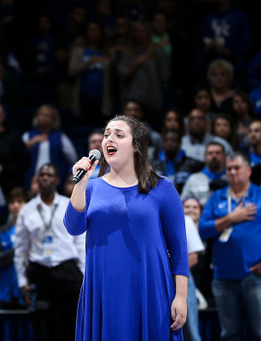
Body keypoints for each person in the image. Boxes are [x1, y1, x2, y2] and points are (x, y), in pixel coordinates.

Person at [64, 115, 188, 340]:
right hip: (103, 289)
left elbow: (179, 248)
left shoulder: (162, 188)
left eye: (119, 135)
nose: (109, 139)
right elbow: (73, 227)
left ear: (136, 146)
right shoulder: (90, 188)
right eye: (106, 134)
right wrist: (80, 185)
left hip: (149, 287)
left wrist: (181, 296)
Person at [199, 151, 261, 341]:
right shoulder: (217, 197)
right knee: (230, 335)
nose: (232, 172)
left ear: (249, 170)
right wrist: (231, 218)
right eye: (229, 169)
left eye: (237, 168)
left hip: (255, 277)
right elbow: (203, 230)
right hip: (223, 278)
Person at [15, 163, 85, 341]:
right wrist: (23, 281)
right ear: (37, 179)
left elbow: (79, 241)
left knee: (72, 323)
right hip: (40, 272)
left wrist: (84, 274)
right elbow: (21, 249)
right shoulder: (26, 210)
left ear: (57, 180)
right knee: (43, 327)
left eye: (49, 175)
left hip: (67, 270)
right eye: (42, 175)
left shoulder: (68, 204)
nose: (45, 177)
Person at [118, 20, 170, 117]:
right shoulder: (128, 53)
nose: (140, 34)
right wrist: (137, 63)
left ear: (148, 33)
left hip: (152, 99)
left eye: (143, 31)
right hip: (132, 99)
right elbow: (123, 75)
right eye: (137, 31)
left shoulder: (157, 51)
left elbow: (165, 76)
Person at [22, 104, 77, 188]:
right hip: (32, 180)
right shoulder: (28, 135)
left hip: (56, 182)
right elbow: (19, 154)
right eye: (41, 115)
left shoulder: (60, 137)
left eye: (47, 115)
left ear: (54, 120)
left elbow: (72, 158)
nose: (43, 117)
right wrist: (33, 141)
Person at [0, 187, 28, 309]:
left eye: (19, 201)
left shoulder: (33, 230)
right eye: (12, 202)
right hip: (5, 289)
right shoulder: (2, 231)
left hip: (27, 289)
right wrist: (18, 251)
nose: (15, 206)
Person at [68, 21, 112, 123]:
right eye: (91, 30)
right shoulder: (79, 51)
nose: (93, 33)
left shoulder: (108, 52)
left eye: (96, 30)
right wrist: (90, 61)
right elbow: (72, 71)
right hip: (83, 96)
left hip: (102, 97)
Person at [201, 0, 252, 75]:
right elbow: (202, 44)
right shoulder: (209, 19)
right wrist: (207, 49)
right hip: (213, 67)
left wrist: (230, 51)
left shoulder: (240, 18)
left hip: (235, 67)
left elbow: (247, 43)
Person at [153, 130, 204, 194]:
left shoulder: (192, 164)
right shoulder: (154, 165)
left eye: (173, 140)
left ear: (180, 143)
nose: (169, 143)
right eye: (166, 140)